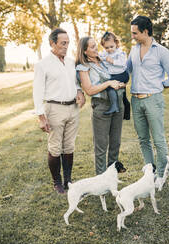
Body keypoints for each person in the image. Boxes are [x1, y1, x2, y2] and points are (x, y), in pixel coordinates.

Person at [127, 16, 169, 187]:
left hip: (153, 100)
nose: (132, 36)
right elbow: (126, 70)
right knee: (143, 139)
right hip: (136, 100)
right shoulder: (133, 50)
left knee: (158, 139)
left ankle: (161, 174)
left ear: (145, 32)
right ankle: (151, 172)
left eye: (135, 33)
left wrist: (158, 86)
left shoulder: (161, 51)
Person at [33, 28, 86, 194]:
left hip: (73, 108)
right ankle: (57, 182)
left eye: (68, 43)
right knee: (55, 147)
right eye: (63, 43)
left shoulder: (71, 62)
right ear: (52, 43)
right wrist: (41, 117)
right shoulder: (43, 65)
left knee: (69, 146)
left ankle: (68, 180)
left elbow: (75, 82)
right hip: (54, 108)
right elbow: (37, 92)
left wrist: (79, 92)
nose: (66, 46)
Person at [76, 36, 126, 175]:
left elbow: (115, 76)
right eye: (91, 47)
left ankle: (112, 176)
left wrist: (120, 84)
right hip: (102, 106)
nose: (96, 48)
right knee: (101, 146)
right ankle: (101, 179)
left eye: (95, 45)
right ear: (84, 51)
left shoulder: (103, 61)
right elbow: (90, 90)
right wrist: (109, 83)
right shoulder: (83, 67)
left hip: (117, 104)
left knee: (115, 143)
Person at [99, 31, 130, 117]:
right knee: (122, 94)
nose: (109, 49)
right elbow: (99, 56)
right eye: (107, 47)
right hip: (114, 75)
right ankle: (124, 111)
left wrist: (113, 61)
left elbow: (123, 63)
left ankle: (114, 106)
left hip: (122, 74)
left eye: (111, 46)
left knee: (109, 85)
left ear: (116, 43)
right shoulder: (105, 53)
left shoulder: (120, 53)